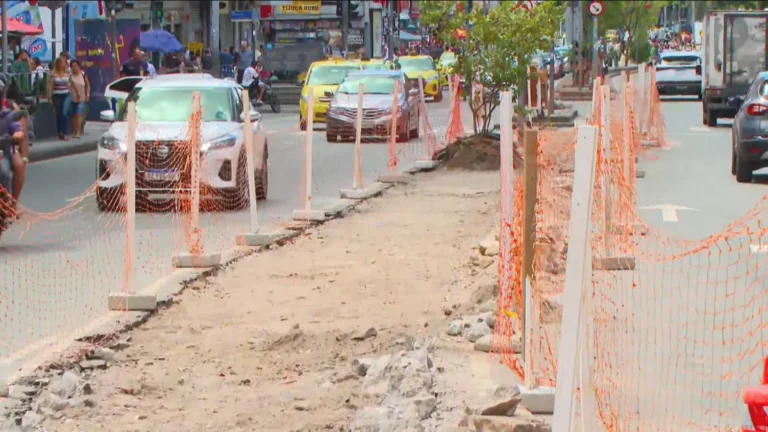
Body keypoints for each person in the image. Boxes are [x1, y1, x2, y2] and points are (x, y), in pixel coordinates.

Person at [0, 88, 29, 216]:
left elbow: (20, 131)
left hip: (6, 149)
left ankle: (12, 203)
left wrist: (24, 156)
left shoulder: (10, 111)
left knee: (16, 166)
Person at [47, 56, 70, 141]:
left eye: (63, 62)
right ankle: (60, 132)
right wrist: (49, 97)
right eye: (60, 62)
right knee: (59, 114)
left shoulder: (68, 73)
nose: (62, 64)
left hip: (66, 95)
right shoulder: (53, 74)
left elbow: (70, 84)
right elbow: (50, 86)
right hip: (57, 95)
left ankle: (64, 132)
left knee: (64, 114)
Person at [68, 60, 90, 139]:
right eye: (73, 66)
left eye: (76, 66)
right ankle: (75, 130)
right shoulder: (70, 76)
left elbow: (87, 85)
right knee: (73, 116)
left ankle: (78, 132)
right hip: (72, 98)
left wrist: (87, 94)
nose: (75, 68)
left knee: (79, 114)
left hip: (82, 98)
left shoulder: (83, 74)